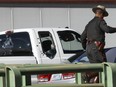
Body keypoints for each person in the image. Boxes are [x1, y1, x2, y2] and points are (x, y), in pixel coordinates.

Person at [81, 5, 116, 83]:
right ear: (102, 14)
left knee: (95, 69)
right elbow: (107, 29)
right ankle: (87, 75)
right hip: (96, 48)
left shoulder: (89, 23)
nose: (103, 17)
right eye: (103, 15)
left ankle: (93, 82)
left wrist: (85, 47)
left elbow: (82, 37)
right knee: (102, 68)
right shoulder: (100, 21)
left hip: (89, 48)